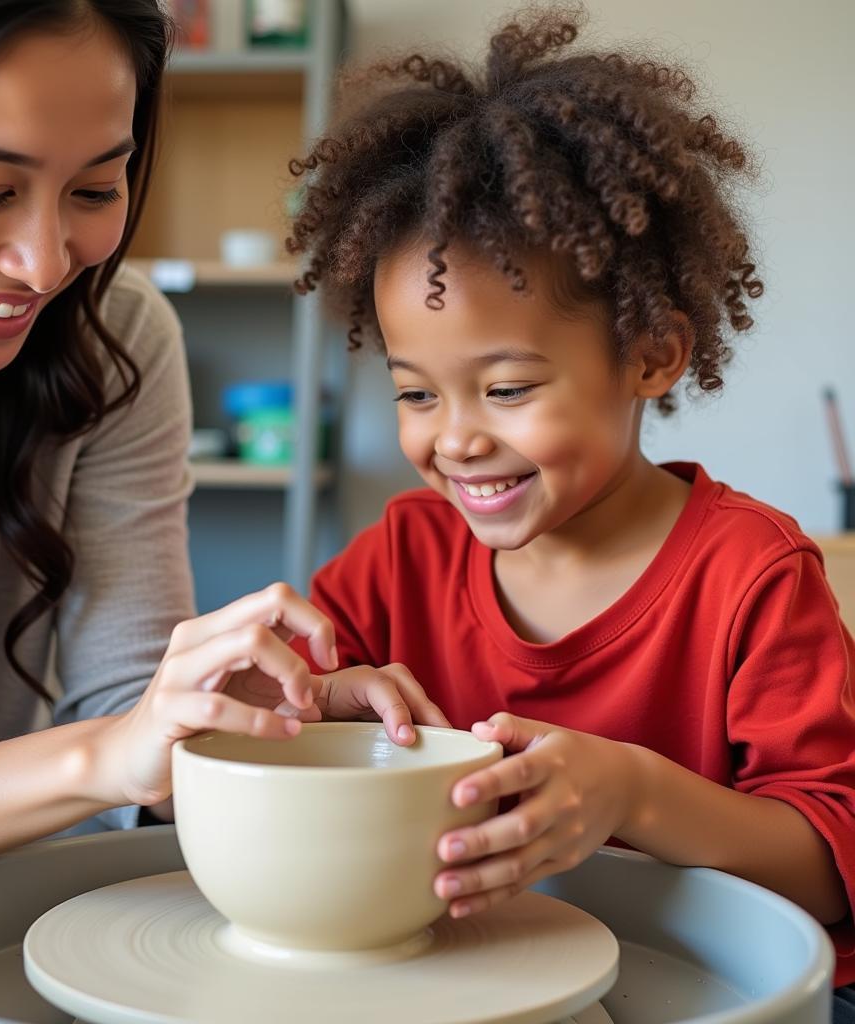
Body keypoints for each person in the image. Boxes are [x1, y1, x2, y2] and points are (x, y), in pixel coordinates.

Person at [0, 0, 445, 1002]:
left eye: (95, 186)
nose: (42, 261)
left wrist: (228, 723)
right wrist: (111, 754)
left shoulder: (116, 343)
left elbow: (123, 706)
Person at [284, 6, 855, 1013]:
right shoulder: (399, 559)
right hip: (481, 980)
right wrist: (316, 697)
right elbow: (282, 717)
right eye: (417, 392)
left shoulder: (752, 573)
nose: (452, 439)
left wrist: (632, 794)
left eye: (505, 389)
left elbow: (828, 860)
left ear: (651, 354)